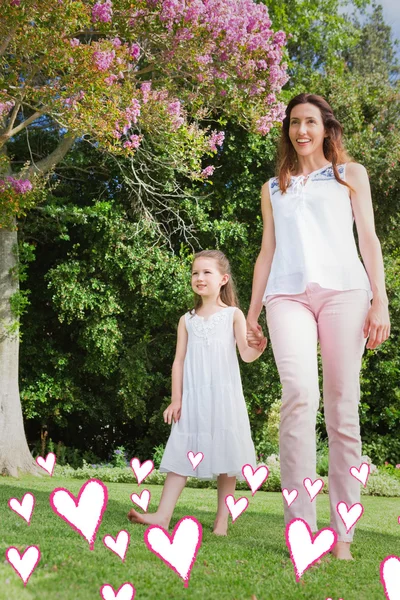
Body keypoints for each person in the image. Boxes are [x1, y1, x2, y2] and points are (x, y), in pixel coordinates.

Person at [246, 93, 390, 560]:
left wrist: (380, 302)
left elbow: (368, 238)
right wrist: (251, 311)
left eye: (309, 122)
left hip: (346, 293)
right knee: (299, 396)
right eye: (293, 123)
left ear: (326, 128)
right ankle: (301, 531)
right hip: (286, 295)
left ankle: (342, 535)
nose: (300, 130)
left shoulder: (352, 176)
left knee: (343, 411)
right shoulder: (274, 187)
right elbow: (267, 251)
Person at [128, 249, 267, 535]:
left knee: (227, 457)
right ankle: (162, 516)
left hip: (224, 397)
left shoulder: (233, 315)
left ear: (223, 279)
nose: (199, 277)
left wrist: (258, 348)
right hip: (193, 397)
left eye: (207, 272)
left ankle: (221, 521)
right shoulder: (187, 320)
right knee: (182, 449)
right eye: (195, 272)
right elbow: (178, 361)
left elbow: (245, 353)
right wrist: (176, 399)